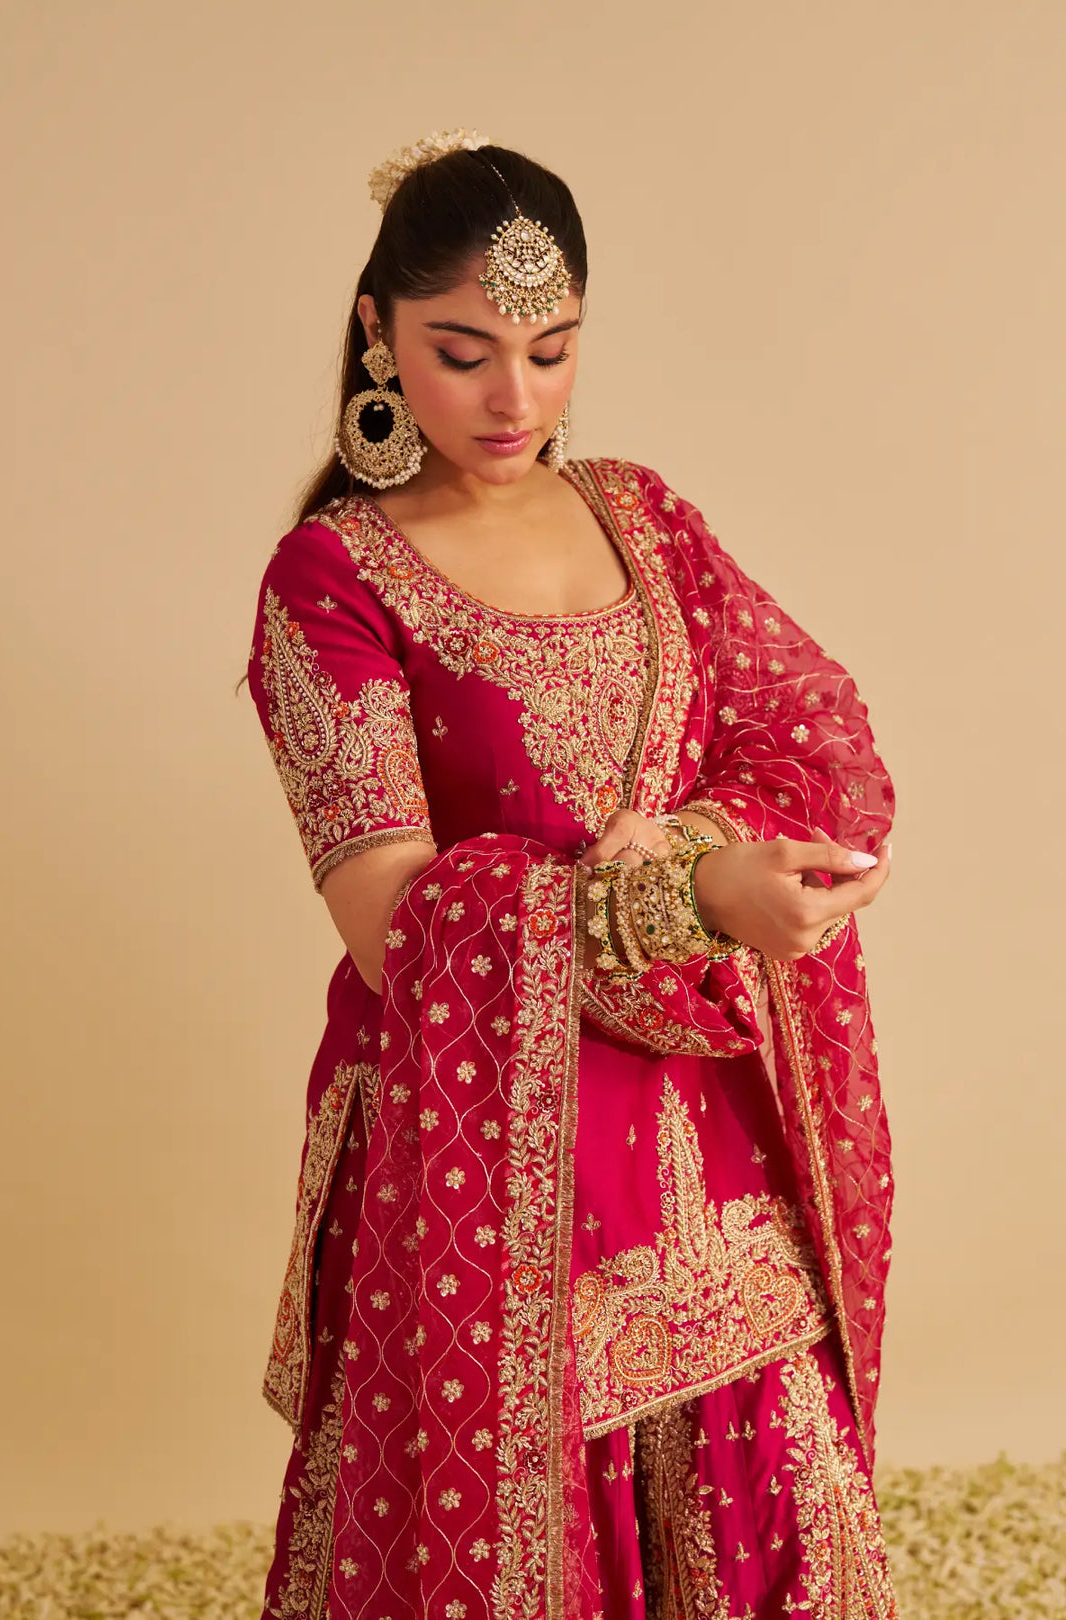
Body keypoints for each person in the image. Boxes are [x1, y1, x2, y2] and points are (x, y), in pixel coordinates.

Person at [246, 129, 898, 1620]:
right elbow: (391, 929)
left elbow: (820, 743)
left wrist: (690, 841)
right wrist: (690, 902)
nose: (515, 399)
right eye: (463, 351)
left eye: (552, 350)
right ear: (378, 334)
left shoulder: (642, 516)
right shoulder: (333, 578)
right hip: (473, 1146)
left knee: (764, 1469)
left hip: (700, 1119)